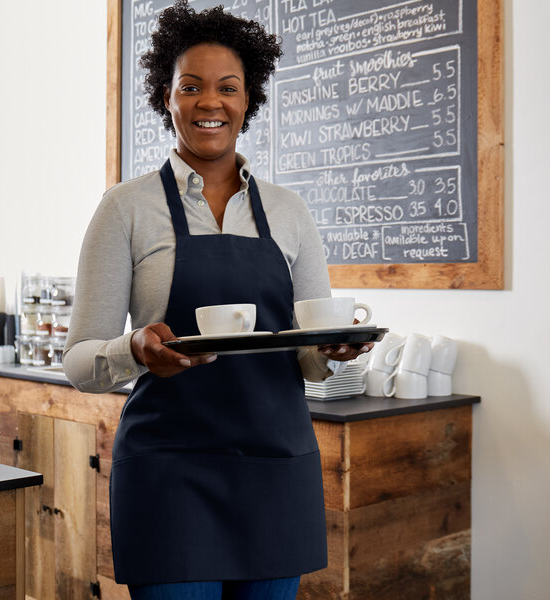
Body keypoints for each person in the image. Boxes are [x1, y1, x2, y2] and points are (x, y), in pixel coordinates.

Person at [64, 2, 372, 598]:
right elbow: (79, 361)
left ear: (248, 99)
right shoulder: (125, 209)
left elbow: (304, 357)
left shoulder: (289, 212)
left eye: (228, 88)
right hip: (170, 471)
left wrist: (333, 351)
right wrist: (134, 349)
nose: (211, 103)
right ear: (167, 97)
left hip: (275, 469)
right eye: (192, 87)